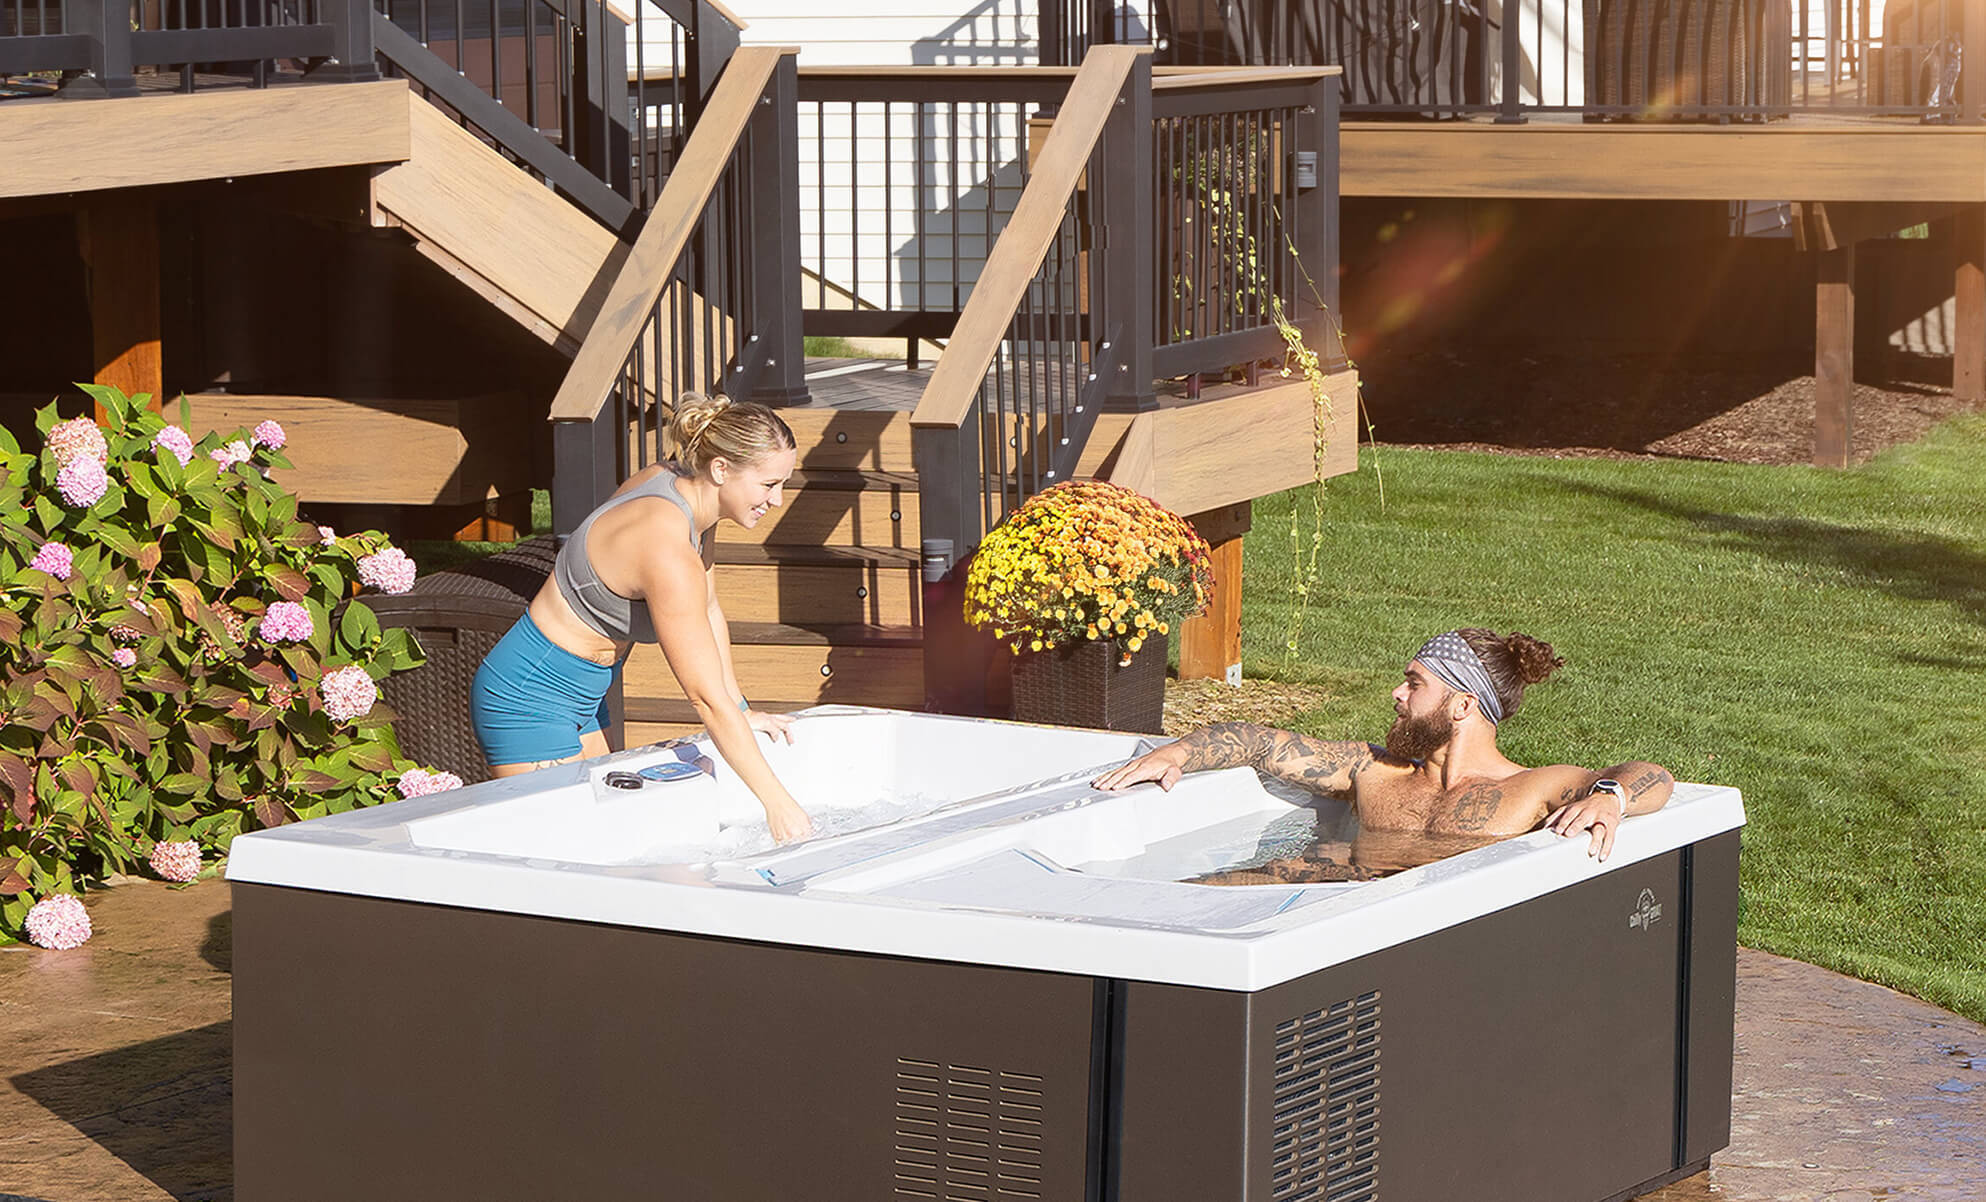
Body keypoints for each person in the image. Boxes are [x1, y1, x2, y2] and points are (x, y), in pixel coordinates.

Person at [471, 393, 814, 842]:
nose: (778, 499)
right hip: (529, 698)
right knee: (570, 847)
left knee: (614, 835)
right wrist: (777, 804)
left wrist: (742, 709)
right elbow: (705, 699)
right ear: (720, 469)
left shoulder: (682, 492)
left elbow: (708, 608)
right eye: (769, 484)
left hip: (586, 694)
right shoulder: (666, 549)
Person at [1094, 628, 1673, 864]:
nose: (1397, 694)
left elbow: (1655, 776)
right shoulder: (1374, 770)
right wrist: (1176, 754)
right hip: (1336, 907)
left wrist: (1609, 796)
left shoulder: (1532, 788)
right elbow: (1258, 742)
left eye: (1415, 684)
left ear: (1463, 705)